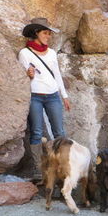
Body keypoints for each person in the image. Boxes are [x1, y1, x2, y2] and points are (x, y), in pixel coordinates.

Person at [18, 18, 70, 181]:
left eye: (49, 33)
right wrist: (28, 74)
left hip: (53, 95)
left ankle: (63, 167)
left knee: (59, 132)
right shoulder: (24, 53)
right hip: (35, 97)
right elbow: (21, 77)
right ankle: (39, 171)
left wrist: (65, 96)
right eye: (45, 33)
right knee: (37, 132)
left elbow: (57, 76)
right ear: (36, 33)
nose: (48, 36)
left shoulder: (52, 53)